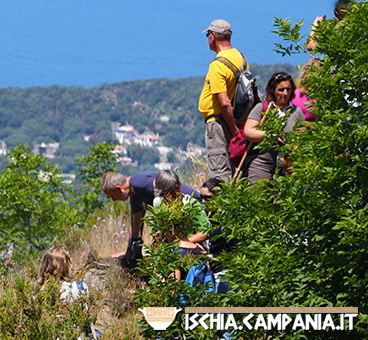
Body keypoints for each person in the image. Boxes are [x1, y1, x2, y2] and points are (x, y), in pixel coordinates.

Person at [102, 171, 200, 263]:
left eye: (112, 196)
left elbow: (169, 189)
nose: (114, 200)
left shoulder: (139, 183)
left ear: (119, 188)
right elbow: (135, 226)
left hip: (196, 209)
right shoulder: (135, 192)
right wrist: (129, 252)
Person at [199, 19, 245, 182]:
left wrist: (233, 131)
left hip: (218, 123)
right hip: (233, 120)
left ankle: (220, 206)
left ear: (213, 36)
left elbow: (224, 102)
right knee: (232, 171)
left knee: (219, 173)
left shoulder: (218, 65)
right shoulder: (240, 57)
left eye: (207, 35)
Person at [242, 72, 307, 182]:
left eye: (288, 89)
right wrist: (269, 135)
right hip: (262, 165)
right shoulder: (263, 108)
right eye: (281, 90)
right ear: (273, 90)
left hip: (287, 167)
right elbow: (248, 131)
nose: (285, 93)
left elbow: (302, 137)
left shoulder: (296, 112)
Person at [37, 246, 101, 338]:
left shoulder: (41, 292)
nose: (72, 259)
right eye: (69, 258)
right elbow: (91, 318)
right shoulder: (80, 288)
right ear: (64, 265)